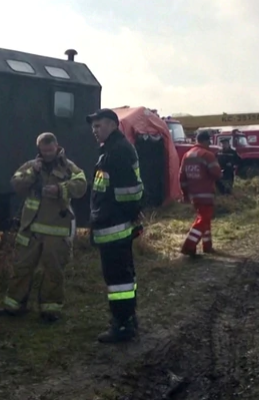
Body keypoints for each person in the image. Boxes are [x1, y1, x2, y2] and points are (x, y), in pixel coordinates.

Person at [0, 132, 87, 322]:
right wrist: (32, 173)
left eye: (50, 150)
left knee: (54, 270)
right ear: (39, 150)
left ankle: (50, 310)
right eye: (44, 151)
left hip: (56, 230)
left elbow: (82, 184)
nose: (47, 154)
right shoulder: (31, 166)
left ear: (57, 147)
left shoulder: (69, 167)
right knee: (21, 267)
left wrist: (60, 189)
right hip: (30, 229)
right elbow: (16, 184)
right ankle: (14, 306)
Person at [86, 108, 144, 343]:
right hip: (113, 225)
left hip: (114, 228)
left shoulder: (117, 151)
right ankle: (128, 319)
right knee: (123, 277)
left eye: (98, 125)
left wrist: (127, 218)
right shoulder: (112, 149)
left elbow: (129, 192)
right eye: (93, 126)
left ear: (112, 125)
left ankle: (122, 326)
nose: (94, 130)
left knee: (118, 280)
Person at [179, 130, 222, 257]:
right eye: (209, 140)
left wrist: (185, 194)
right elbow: (216, 173)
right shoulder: (207, 155)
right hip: (206, 194)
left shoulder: (187, 155)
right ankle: (189, 246)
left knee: (204, 219)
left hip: (193, 195)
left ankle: (207, 247)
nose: (209, 143)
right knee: (203, 220)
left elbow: (182, 177)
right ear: (205, 140)